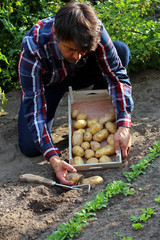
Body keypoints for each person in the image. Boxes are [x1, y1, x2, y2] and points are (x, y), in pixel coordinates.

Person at [18, 1, 134, 186]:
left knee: (120, 50)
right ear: (55, 34)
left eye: (83, 51)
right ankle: (46, 109)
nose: (77, 56)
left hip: (81, 74)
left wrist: (123, 124)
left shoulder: (93, 29)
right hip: (50, 84)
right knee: (30, 147)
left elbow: (117, 76)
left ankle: (102, 104)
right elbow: (35, 109)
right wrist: (54, 158)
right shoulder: (33, 47)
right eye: (71, 49)